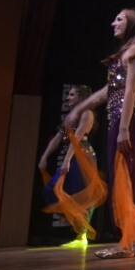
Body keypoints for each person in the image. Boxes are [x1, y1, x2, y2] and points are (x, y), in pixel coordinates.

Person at [66, 8, 135, 257]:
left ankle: (126, 243)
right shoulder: (125, 52)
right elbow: (109, 90)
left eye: (120, 19)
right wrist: (80, 107)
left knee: (126, 176)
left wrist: (123, 129)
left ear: (132, 23)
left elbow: (130, 91)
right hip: (129, 119)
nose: (113, 23)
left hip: (131, 120)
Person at [38, 84, 96, 245]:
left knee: (82, 194)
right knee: (52, 191)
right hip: (72, 156)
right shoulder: (70, 117)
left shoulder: (87, 113)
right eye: (68, 94)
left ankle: (82, 235)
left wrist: (66, 161)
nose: (67, 97)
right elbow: (57, 138)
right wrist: (44, 157)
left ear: (81, 97)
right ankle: (80, 230)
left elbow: (77, 138)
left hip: (84, 157)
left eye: (72, 94)